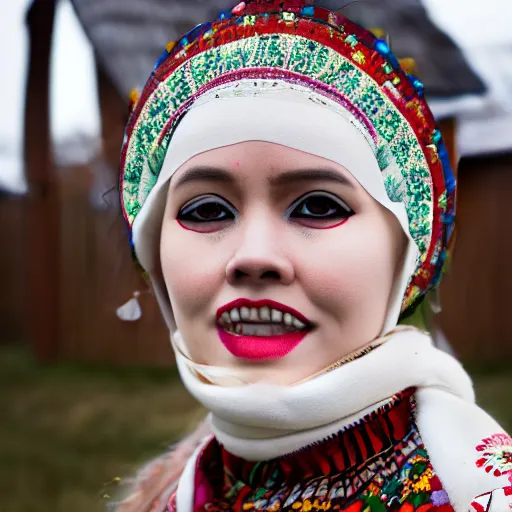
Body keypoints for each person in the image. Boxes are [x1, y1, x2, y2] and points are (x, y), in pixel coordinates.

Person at [115, 1, 512, 510]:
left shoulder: (474, 492)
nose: (254, 257)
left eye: (319, 206)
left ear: (401, 255)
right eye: (207, 210)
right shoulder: (182, 492)